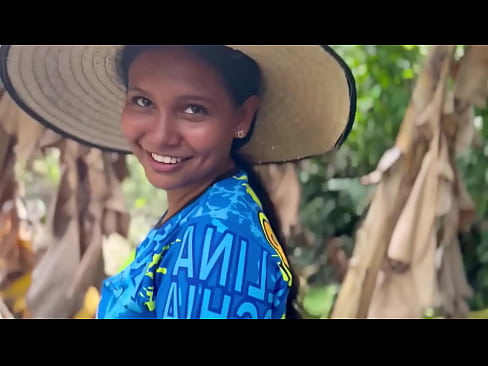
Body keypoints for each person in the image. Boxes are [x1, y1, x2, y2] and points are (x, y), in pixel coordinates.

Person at [0, 45, 356, 319]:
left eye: (193, 109)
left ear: (242, 117)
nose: (160, 135)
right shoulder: (202, 212)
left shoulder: (218, 238)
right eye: (143, 101)